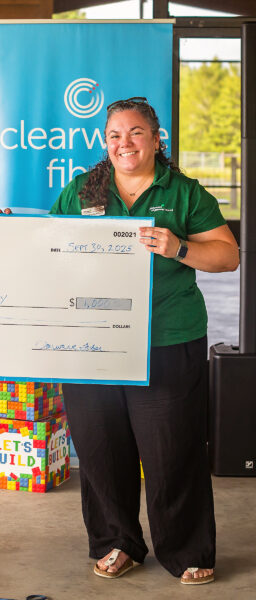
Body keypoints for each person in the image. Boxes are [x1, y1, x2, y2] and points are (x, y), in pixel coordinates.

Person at [48, 97, 239, 585]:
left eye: (135, 133)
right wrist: (15, 230)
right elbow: (46, 245)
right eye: (114, 135)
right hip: (93, 343)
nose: (124, 143)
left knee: (172, 450)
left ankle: (187, 549)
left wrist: (180, 247)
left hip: (168, 340)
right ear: (104, 142)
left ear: (157, 140)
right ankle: (117, 542)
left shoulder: (184, 193)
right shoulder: (82, 191)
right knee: (99, 449)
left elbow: (227, 256)